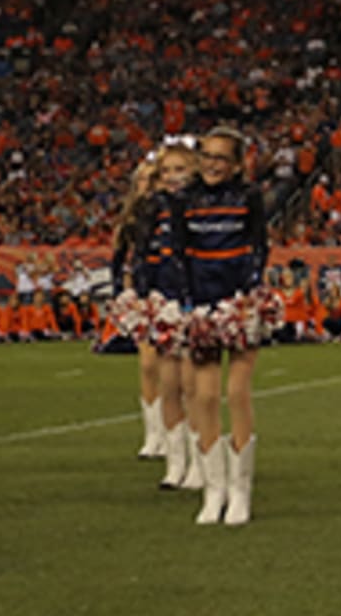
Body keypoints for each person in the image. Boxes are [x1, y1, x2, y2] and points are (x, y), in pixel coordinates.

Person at [176, 126, 268, 526]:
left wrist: (248, 292)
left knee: (237, 393)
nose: (213, 164)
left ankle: (240, 490)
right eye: (207, 156)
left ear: (236, 164)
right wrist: (187, 303)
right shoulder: (184, 199)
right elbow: (179, 254)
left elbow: (259, 246)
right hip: (202, 303)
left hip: (239, 302)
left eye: (221, 158)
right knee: (205, 397)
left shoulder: (249, 198)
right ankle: (214, 490)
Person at [138, 138, 202, 490]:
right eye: (167, 171)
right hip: (164, 301)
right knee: (169, 385)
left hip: (193, 301)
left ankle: (199, 461)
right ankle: (175, 463)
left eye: (181, 169)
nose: (173, 177)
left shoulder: (200, 207)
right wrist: (143, 296)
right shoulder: (153, 208)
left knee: (194, 386)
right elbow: (142, 254)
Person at [112, 156, 167, 460]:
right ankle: (152, 432)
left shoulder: (169, 214)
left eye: (152, 178)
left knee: (171, 366)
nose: (147, 185)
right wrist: (121, 293)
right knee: (147, 365)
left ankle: (173, 430)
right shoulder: (129, 220)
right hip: (142, 293)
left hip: (167, 291)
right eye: (143, 180)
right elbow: (117, 259)